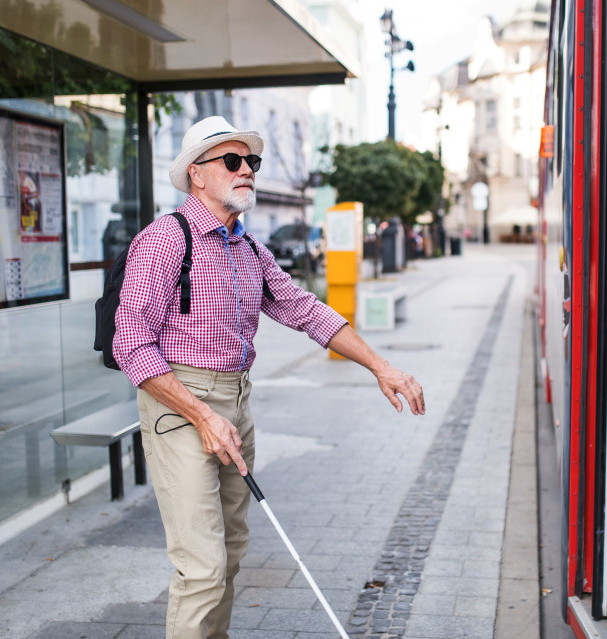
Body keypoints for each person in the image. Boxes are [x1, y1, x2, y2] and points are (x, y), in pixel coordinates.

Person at [113, 115, 425, 639]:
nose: (247, 171)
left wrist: (382, 367)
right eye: (231, 161)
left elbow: (306, 310)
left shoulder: (248, 247)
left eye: (251, 162)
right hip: (179, 405)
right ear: (197, 174)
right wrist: (202, 415)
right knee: (203, 566)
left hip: (236, 401)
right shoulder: (166, 240)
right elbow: (132, 346)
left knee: (231, 552)